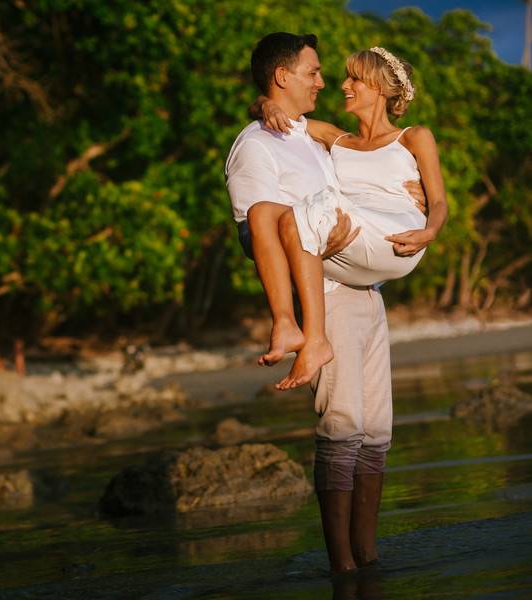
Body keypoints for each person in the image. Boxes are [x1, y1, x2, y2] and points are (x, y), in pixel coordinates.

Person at [224, 33, 445, 574]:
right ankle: (342, 564)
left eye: (347, 77)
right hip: (327, 292)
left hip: (368, 289)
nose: (331, 83)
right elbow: (258, 225)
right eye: (318, 72)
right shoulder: (287, 141)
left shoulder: (331, 136)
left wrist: (422, 216)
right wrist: (263, 104)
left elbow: (423, 193)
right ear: (283, 76)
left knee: (376, 431)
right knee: (342, 427)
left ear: (379, 88)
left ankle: (366, 556)